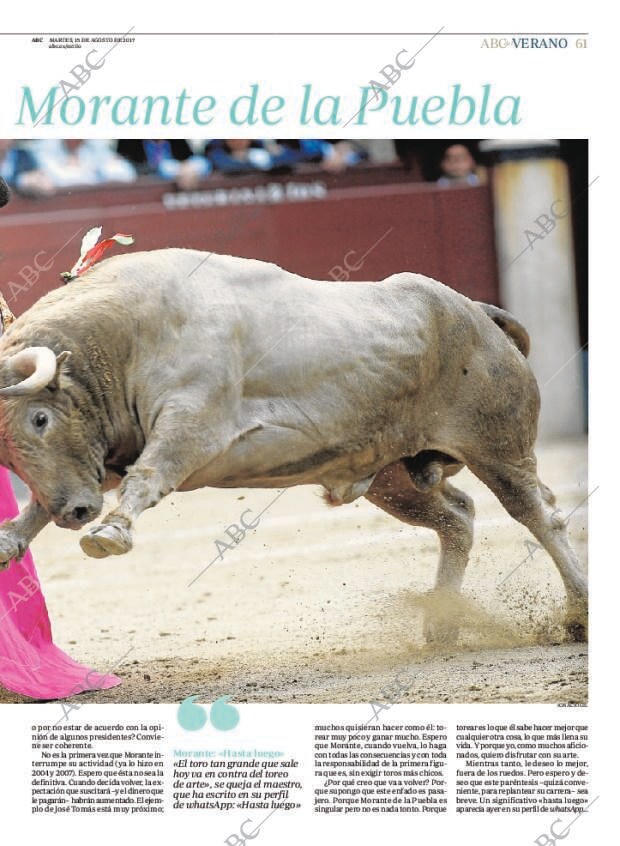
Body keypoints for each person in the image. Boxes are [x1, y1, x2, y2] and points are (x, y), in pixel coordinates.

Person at [117, 139, 210, 189]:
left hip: (179, 171)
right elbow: (130, 166)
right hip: (153, 177)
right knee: (165, 167)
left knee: (201, 163)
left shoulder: (175, 138)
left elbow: (187, 157)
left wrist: (184, 169)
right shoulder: (130, 141)